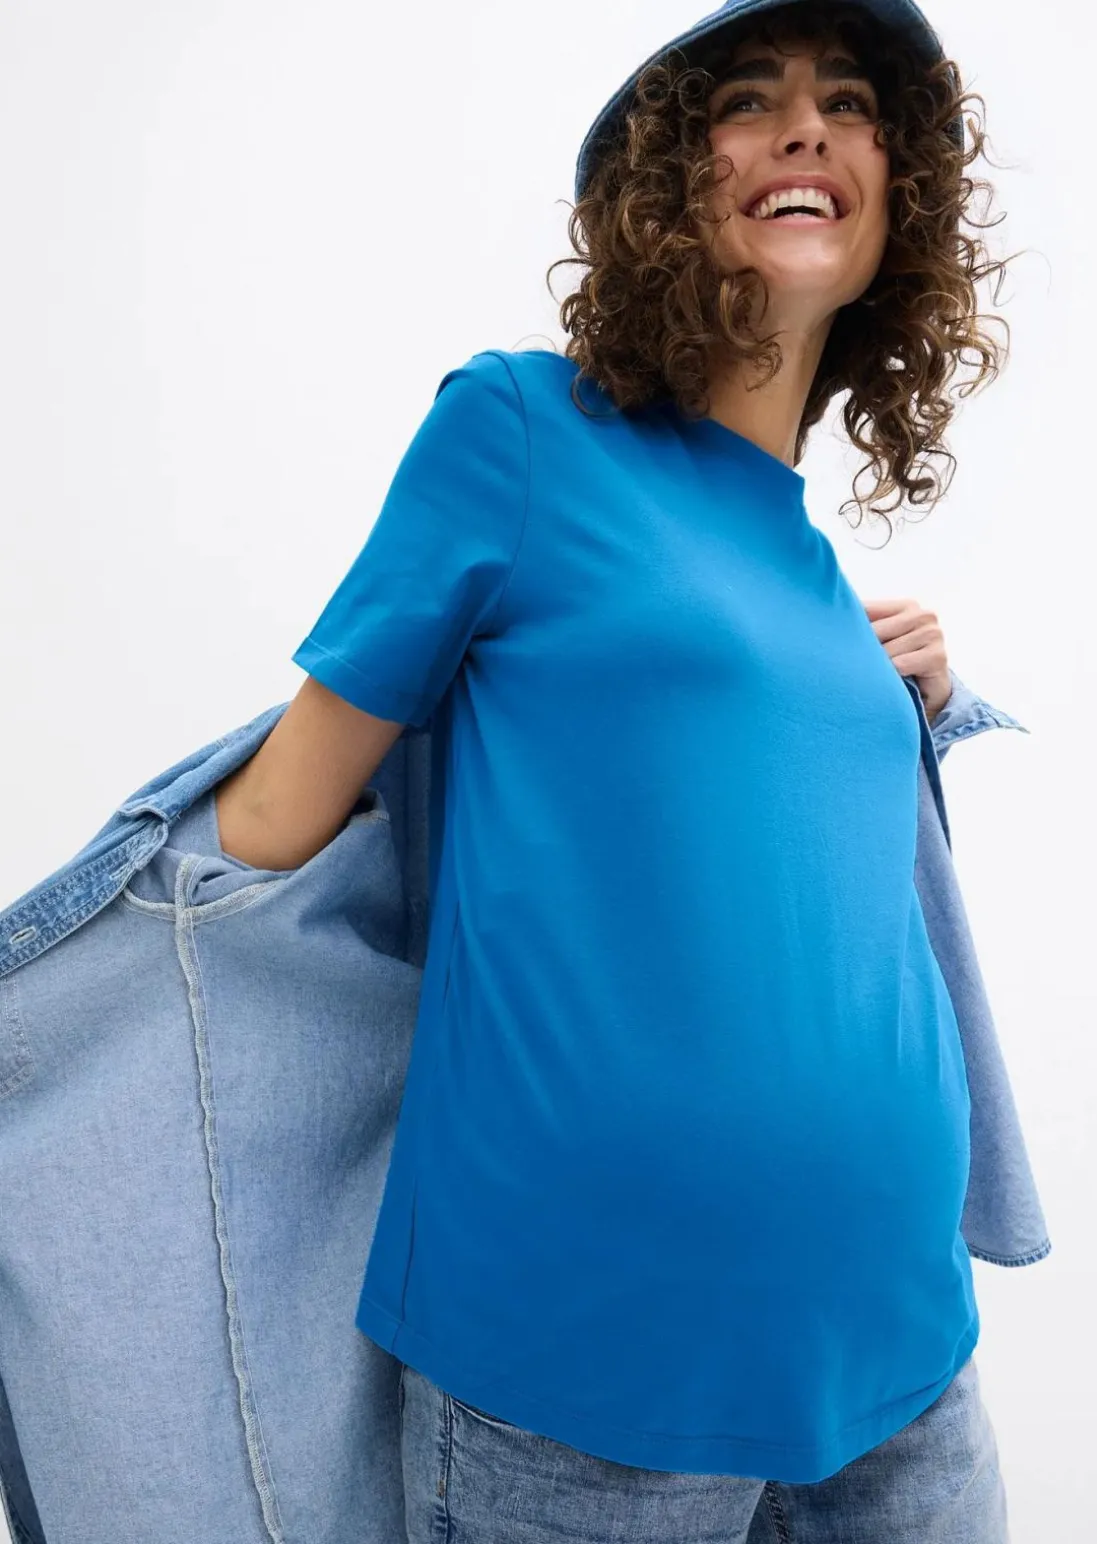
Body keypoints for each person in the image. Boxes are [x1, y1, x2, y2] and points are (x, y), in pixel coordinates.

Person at [215, 0, 1013, 1538]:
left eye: (849, 103)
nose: (806, 126)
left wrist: (904, 700)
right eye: (749, 100)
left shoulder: (817, 583)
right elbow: (269, 826)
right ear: (661, 189)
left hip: (897, 1346)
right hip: (584, 1370)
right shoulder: (520, 429)